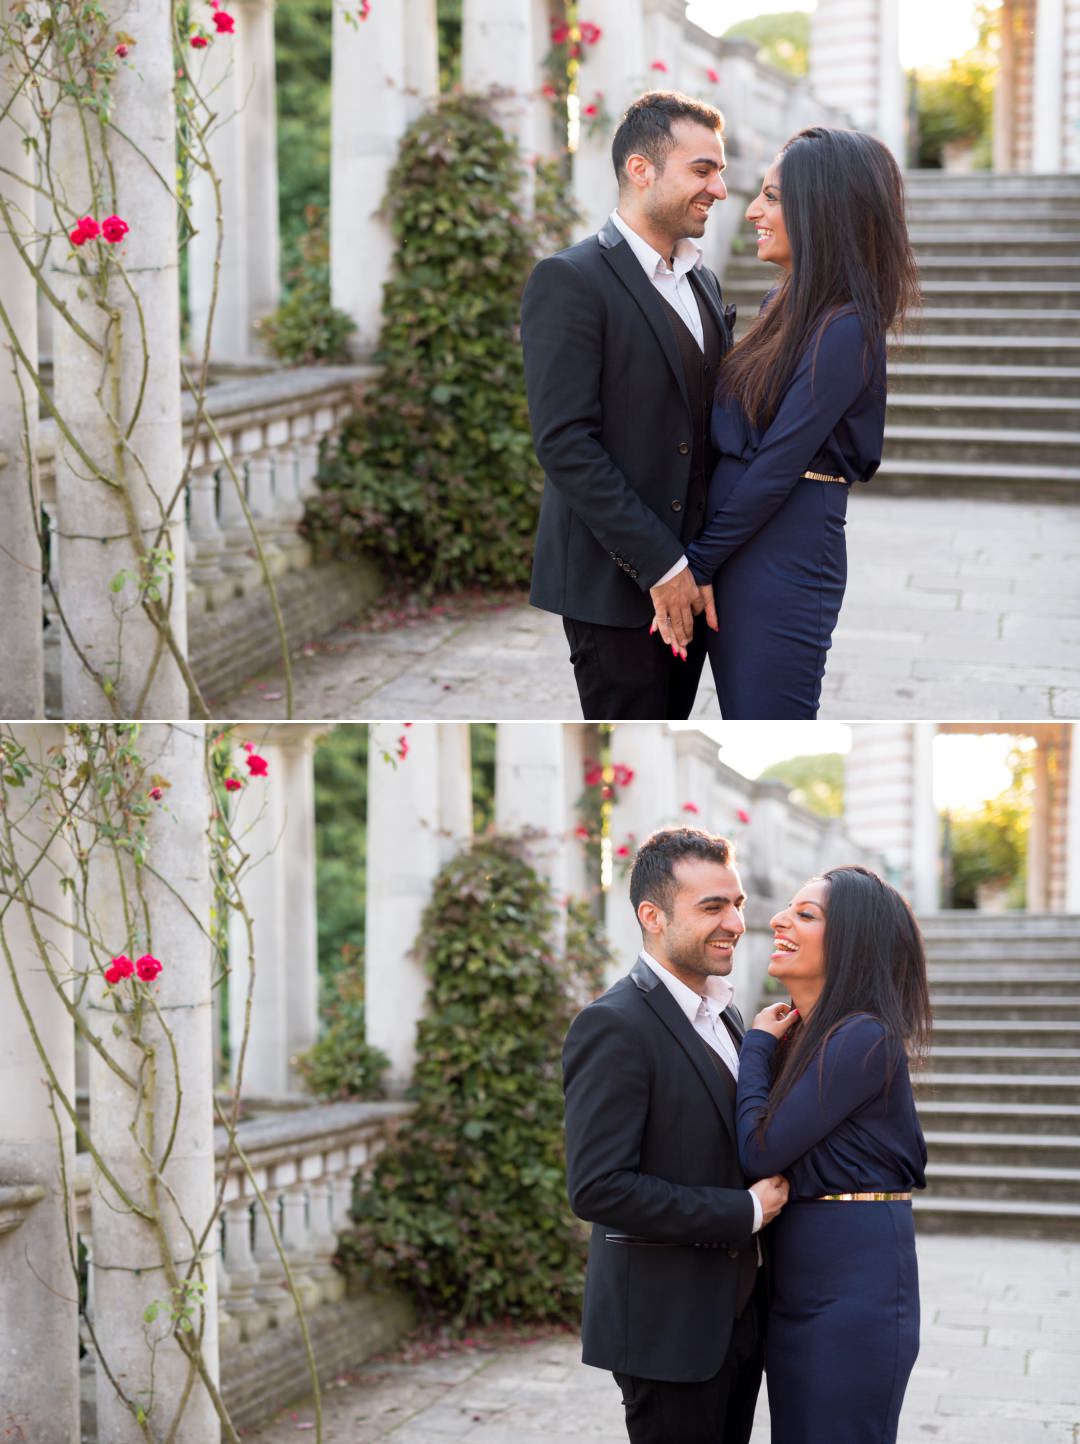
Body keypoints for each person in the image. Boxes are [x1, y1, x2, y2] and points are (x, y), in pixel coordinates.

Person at [652, 126, 920, 718]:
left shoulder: (846, 326)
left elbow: (778, 463)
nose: (750, 211)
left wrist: (696, 566)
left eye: (772, 197)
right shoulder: (786, 303)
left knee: (767, 716)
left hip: (784, 555)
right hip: (740, 542)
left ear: (823, 208)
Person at [562, 827, 789, 1444]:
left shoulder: (728, 1014)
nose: (736, 922)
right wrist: (741, 1210)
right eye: (712, 906)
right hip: (666, 1329)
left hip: (737, 1318)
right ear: (653, 916)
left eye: (737, 903)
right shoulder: (613, 1026)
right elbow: (598, 1188)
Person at [522, 91, 736, 721]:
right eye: (703, 170)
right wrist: (660, 564)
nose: (719, 189)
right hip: (612, 592)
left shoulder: (702, 278)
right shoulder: (570, 280)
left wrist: (704, 561)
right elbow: (565, 443)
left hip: (695, 585)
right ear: (642, 170)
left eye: (718, 171)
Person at [736, 865, 931, 1444]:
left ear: (851, 941)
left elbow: (759, 1149)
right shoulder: (815, 1036)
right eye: (788, 908)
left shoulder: (862, 1035)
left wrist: (756, 1046)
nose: (778, 920)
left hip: (853, 1291)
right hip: (802, 1286)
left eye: (806, 914)